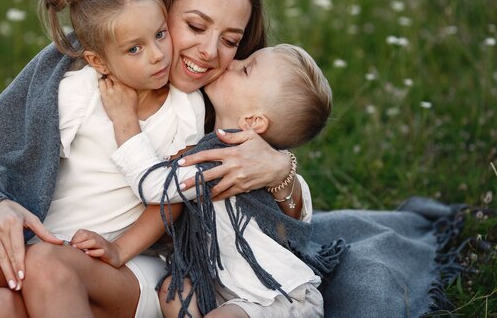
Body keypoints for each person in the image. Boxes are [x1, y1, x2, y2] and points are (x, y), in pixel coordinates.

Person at [0, 0, 308, 318]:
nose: (209, 51)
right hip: (49, 241)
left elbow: (275, 219)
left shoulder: (213, 103)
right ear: (158, 8)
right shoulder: (73, 70)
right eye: (195, 26)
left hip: (127, 266)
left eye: (231, 41)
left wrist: (279, 168)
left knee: (34, 270)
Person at [88, 43, 343, 318]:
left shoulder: (225, 157)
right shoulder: (209, 144)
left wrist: (124, 119)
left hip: (278, 296)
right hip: (225, 292)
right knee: (174, 291)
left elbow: (156, 188)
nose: (231, 62)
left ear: (253, 121)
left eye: (244, 69)